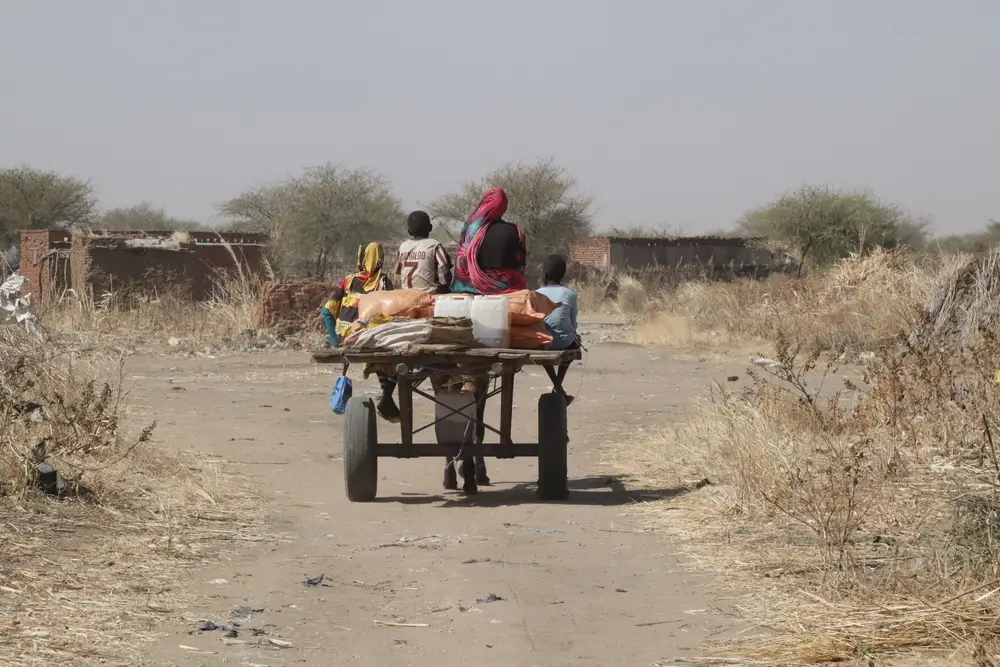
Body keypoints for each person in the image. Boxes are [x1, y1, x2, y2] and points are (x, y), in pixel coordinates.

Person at [320, 241, 401, 422]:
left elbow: (326, 313)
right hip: (364, 336)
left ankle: (386, 397)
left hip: (345, 337)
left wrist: (336, 340)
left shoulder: (348, 280)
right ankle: (386, 395)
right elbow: (391, 313)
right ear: (379, 259)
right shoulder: (382, 282)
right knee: (398, 351)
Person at [451, 187, 527, 295]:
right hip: (506, 285)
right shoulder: (514, 230)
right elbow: (520, 265)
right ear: (504, 207)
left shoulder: (470, 230)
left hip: (471, 284)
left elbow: (462, 260)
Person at [535, 254, 580, 406]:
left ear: (544, 274)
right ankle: (558, 385)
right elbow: (573, 324)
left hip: (541, 342)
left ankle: (558, 386)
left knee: (540, 348)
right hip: (564, 342)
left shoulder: (536, 293)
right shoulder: (570, 294)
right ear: (562, 275)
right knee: (574, 343)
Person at [393, 210, 453, 293]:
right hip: (428, 293)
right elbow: (446, 271)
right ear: (430, 228)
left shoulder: (403, 246)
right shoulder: (434, 245)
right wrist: (448, 287)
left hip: (405, 294)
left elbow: (398, 272)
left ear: (409, 231)